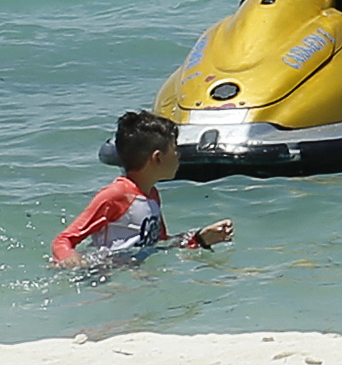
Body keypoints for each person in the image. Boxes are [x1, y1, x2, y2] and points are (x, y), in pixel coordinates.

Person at [54, 114, 236, 273]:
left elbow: (160, 244)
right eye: (175, 149)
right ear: (157, 157)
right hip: (105, 276)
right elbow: (63, 240)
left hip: (135, 275)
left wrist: (200, 238)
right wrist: (73, 261)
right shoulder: (116, 195)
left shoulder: (152, 194)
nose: (179, 155)